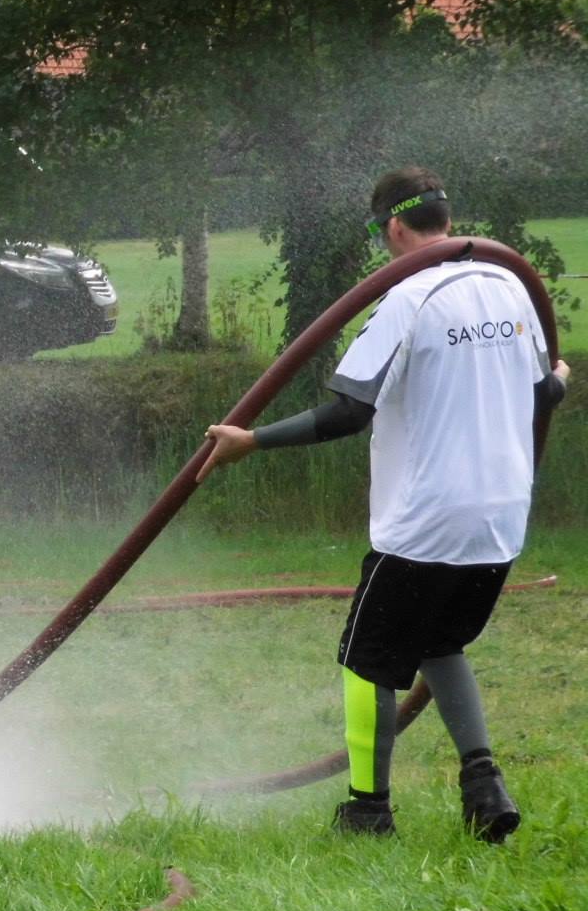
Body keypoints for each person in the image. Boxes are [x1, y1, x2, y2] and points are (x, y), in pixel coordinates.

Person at [200, 168, 567, 842]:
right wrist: (561, 380)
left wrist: (252, 440)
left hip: (426, 521)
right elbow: (541, 391)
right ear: (444, 218)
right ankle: (485, 787)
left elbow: (349, 411)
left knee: (368, 660)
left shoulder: (408, 298)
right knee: (440, 641)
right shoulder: (509, 286)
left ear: (393, 227)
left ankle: (368, 810)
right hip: (500, 519)